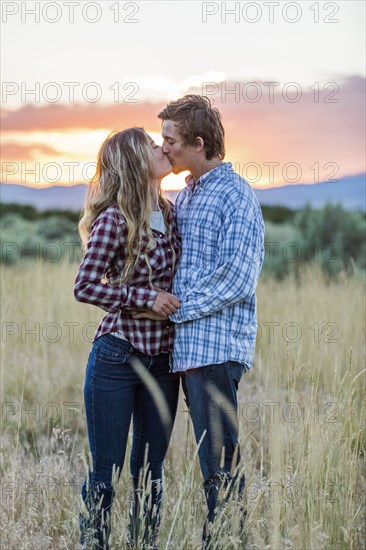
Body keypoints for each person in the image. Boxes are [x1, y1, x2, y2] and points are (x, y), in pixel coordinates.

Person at [141, 95, 265, 545]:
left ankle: (228, 541)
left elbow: (238, 278)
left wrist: (177, 308)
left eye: (170, 140)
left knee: (220, 464)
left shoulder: (236, 195)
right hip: (185, 351)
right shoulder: (186, 196)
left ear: (198, 142)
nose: (164, 147)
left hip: (215, 350)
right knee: (205, 461)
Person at [74, 128, 181, 549]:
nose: (163, 149)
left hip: (164, 361)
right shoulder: (114, 219)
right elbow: (85, 286)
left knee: (150, 471)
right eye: (153, 146)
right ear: (136, 161)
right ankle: (94, 543)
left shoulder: (170, 213)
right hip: (117, 357)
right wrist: (143, 297)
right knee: (107, 470)